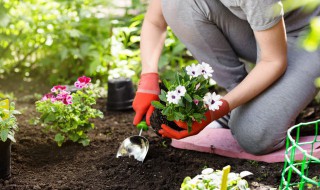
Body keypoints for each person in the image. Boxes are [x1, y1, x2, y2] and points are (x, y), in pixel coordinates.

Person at [132, 0, 320, 155]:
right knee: (177, 4)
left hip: (311, 33)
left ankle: (253, 108)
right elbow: (155, 21)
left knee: (254, 136)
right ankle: (241, 102)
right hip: (267, 30)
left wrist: (215, 111)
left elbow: (273, 61)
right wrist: (148, 78)